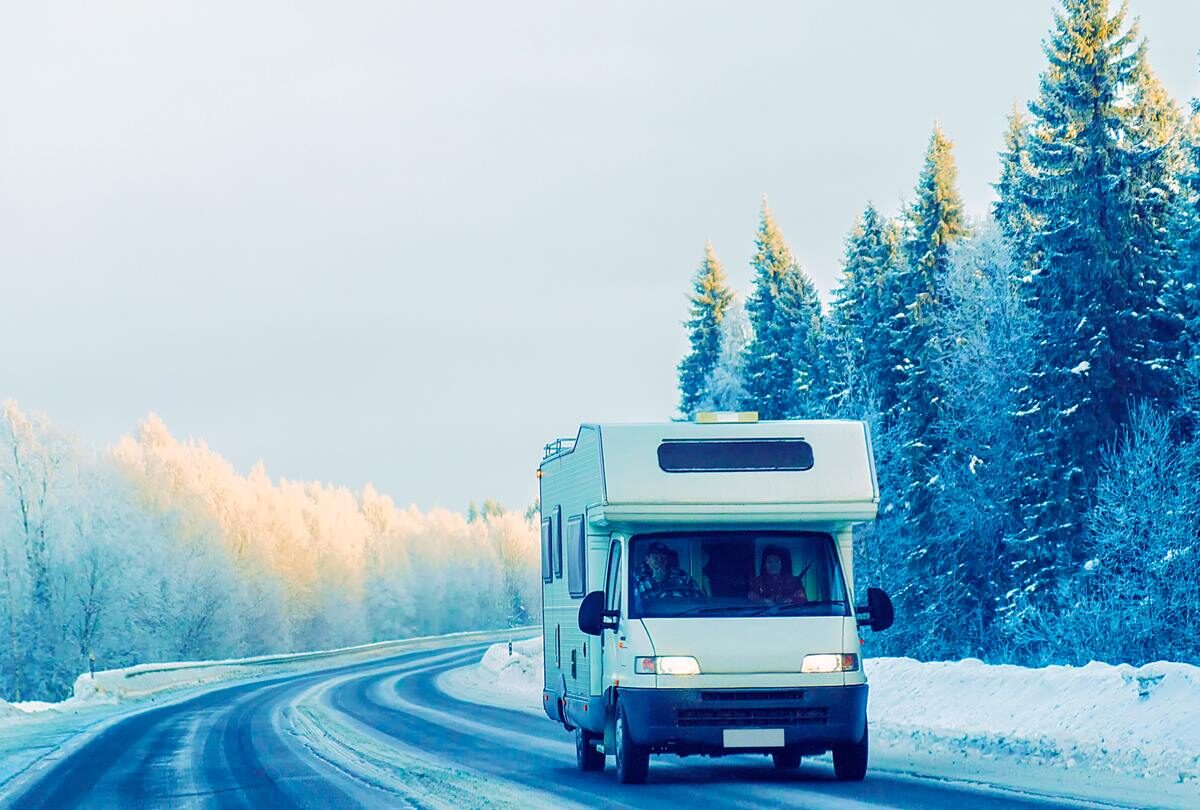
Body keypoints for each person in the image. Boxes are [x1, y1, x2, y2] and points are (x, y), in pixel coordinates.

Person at [634, 541, 704, 601]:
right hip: (650, 615)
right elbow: (634, 602)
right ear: (647, 560)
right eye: (655, 556)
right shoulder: (639, 579)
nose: (660, 560)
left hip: (680, 613)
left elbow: (698, 598)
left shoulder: (683, 576)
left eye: (663, 556)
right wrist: (656, 581)